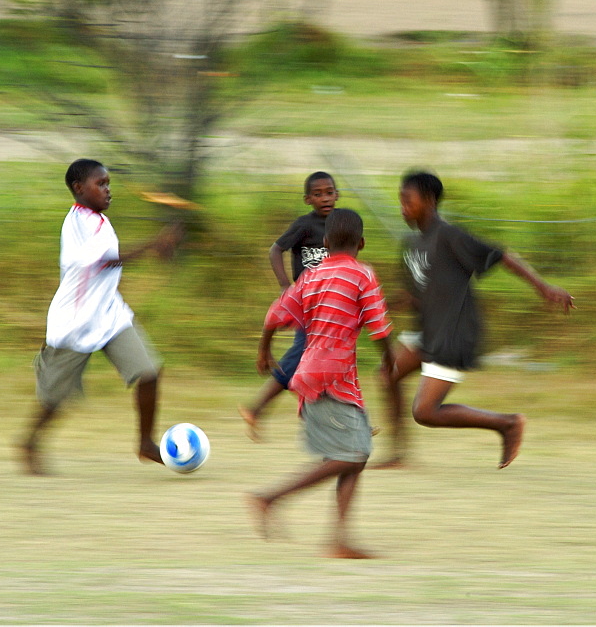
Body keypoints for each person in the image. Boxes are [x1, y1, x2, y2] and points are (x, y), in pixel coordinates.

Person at [377, 170, 574, 469]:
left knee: (425, 412)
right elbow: (413, 295)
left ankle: (507, 423)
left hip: (453, 333)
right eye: (400, 201)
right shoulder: (412, 244)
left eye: (408, 200)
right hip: (427, 330)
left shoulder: (450, 236)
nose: (402, 207)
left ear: (429, 201)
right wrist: (369, 306)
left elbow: (502, 255)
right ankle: (398, 455)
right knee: (387, 375)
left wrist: (544, 287)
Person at [247, 208, 394, 559]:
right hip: (333, 377)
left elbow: (275, 314)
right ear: (361, 243)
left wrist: (264, 351)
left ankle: (339, 540)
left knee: (354, 457)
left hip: (316, 374)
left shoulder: (311, 277)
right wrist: (390, 361)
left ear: (325, 243)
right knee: (353, 455)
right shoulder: (363, 275)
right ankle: (270, 498)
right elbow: (379, 326)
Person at [21, 158, 181, 475]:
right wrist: (153, 245)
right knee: (57, 398)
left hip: (109, 314)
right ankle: (29, 442)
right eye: (101, 184)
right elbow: (104, 261)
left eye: (109, 184)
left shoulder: (98, 220)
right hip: (75, 323)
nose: (108, 191)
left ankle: (146, 444)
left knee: (149, 372)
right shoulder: (77, 223)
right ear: (79, 189)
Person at [239, 171, 338, 441]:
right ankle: (260, 409)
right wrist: (286, 286)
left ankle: (312, 416)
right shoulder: (304, 225)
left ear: (337, 195)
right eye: (318, 194)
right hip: (308, 303)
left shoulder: (341, 224)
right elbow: (275, 250)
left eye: (329, 192)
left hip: (332, 305)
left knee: (318, 359)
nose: (325, 198)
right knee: (303, 356)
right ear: (308, 199)